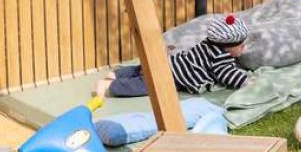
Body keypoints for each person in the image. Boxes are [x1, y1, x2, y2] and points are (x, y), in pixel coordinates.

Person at [95, 14, 251, 98]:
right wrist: (246, 81)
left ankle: (117, 73)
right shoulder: (220, 58)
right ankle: (110, 87)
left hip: (170, 62)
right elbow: (228, 75)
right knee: (145, 85)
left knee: (142, 69)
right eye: (241, 46)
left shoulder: (208, 43)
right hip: (172, 76)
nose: (244, 48)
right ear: (227, 47)